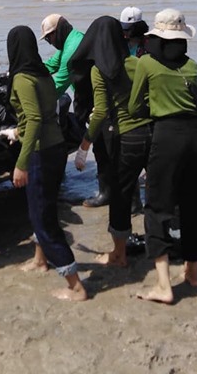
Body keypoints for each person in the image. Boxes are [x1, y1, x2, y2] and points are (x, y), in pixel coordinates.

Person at [129, 8, 197, 304]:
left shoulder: (146, 64)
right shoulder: (193, 66)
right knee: (191, 204)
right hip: (196, 137)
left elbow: (136, 105)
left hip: (167, 136)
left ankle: (164, 286)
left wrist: (156, 104)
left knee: (158, 208)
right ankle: (193, 273)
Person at [6, 25, 87, 301]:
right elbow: (41, 114)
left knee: (44, 219)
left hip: (40, 153)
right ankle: (40, 261)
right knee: (43, 208)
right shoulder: (42, 75)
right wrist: (18, 130)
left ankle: (76, 286)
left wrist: (21, 162)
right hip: (56, 149)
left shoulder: (21, 79)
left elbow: (35, 120)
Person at [71, 16, 153, 267]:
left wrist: (85, 144)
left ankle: (118, 254)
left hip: (126, 137)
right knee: (156, 191)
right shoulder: (139, 63)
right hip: (151, 134)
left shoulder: (99, 70)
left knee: (119, 195)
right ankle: (159, 244)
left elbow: (101, 111)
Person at [40, 13, 107, 206]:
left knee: (102, 145)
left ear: (58, 32)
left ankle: (105, 191)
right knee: (101, 144)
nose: (50, 43)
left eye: (50, 37)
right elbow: (51, 64)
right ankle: (106, 185)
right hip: (88, 95)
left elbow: (58, 84)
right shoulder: (71, 40)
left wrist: (35, 101)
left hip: (96, 99)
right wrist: (28, 68)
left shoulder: (71, 49)